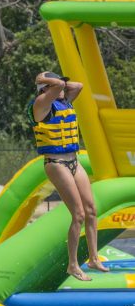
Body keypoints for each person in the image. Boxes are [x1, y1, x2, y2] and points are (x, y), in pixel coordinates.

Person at [27, 71, 109, 281]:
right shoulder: (42, 105)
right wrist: (46, 81)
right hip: (56, 164)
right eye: (58, 85)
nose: (64, 88)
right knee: (79, 214)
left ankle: (93, 258)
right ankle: (72, 265)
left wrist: (58, 83)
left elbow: (79, 85)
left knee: (92, 210)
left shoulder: (64, 101)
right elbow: (56, 88)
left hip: (74, 161)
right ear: (44, 89)